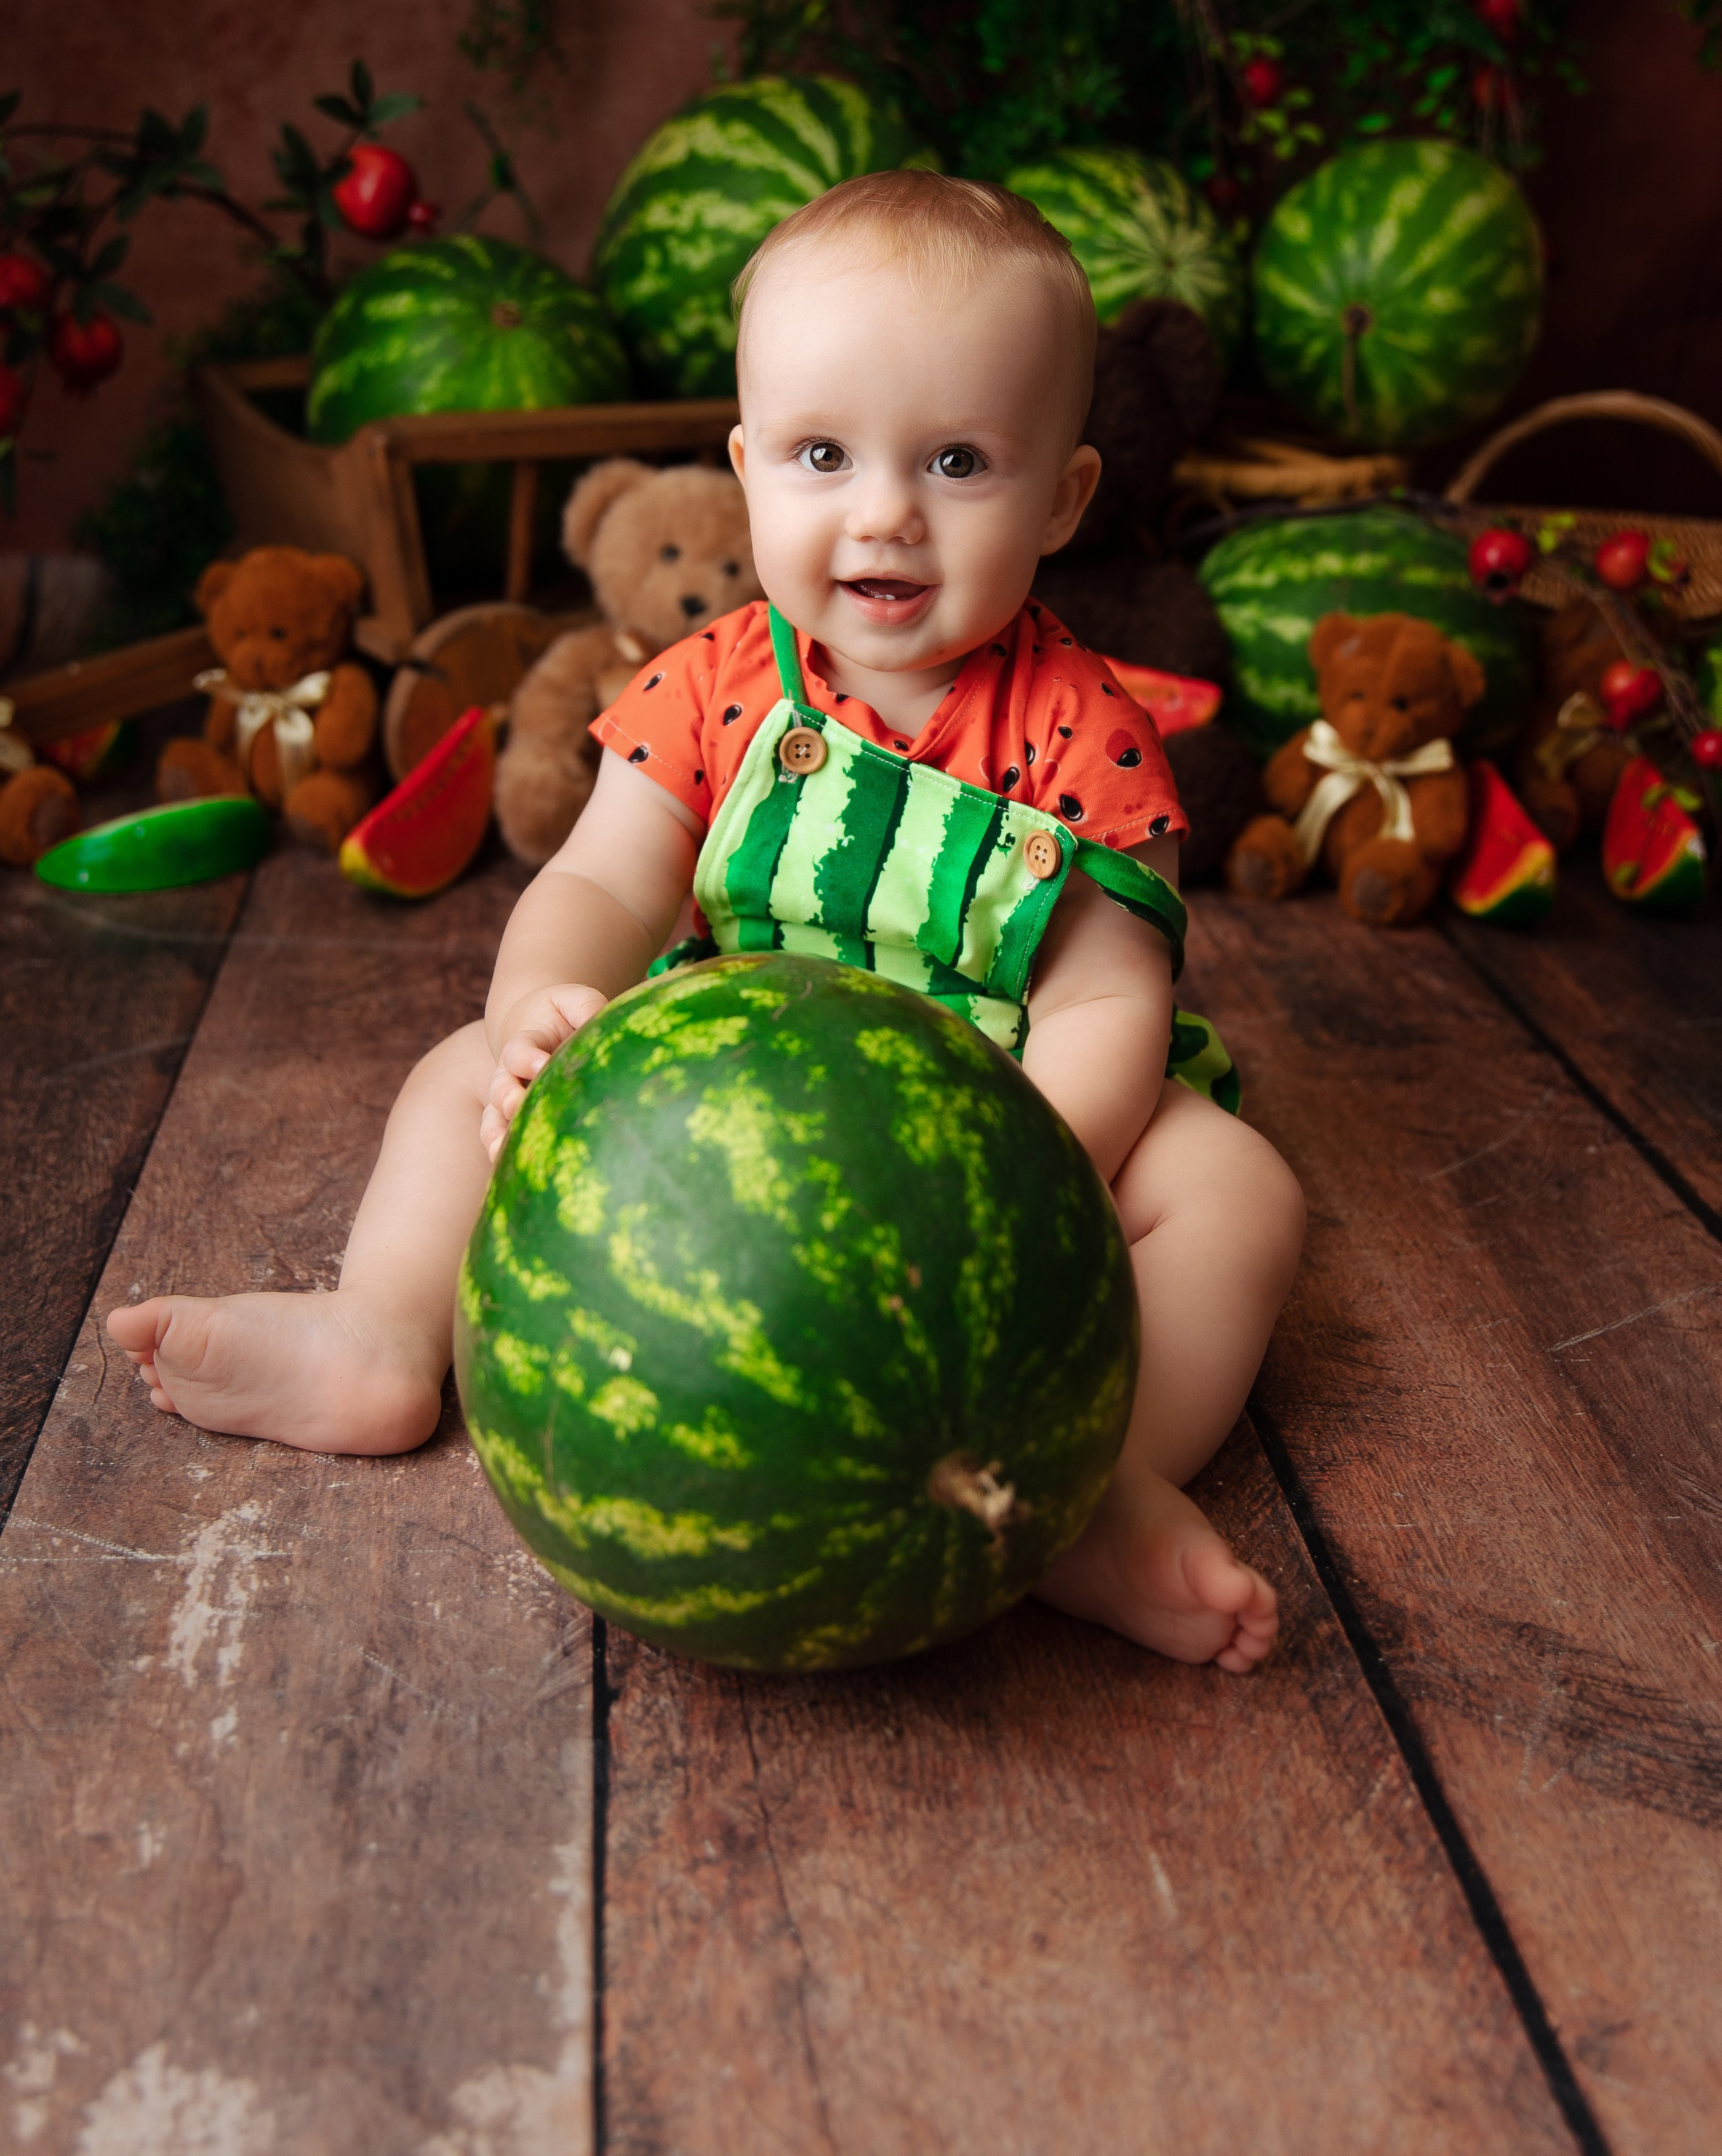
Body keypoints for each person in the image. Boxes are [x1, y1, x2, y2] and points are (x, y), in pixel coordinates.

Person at [109, 172, 1305, 1672]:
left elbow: (1105, 1003)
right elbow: (606, 883)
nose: (883, 514)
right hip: (705, 1096)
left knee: (1236, 1193)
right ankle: (386, 1334)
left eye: (954, 461)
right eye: (820, 454)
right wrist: (545, 1002)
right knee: (450, 1076)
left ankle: (1082, 1478)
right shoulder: (718, 683)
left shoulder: (1086, 733)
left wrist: (1014, 1169)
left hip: (989, 1105)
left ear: (1061, 496)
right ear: (745, 471)